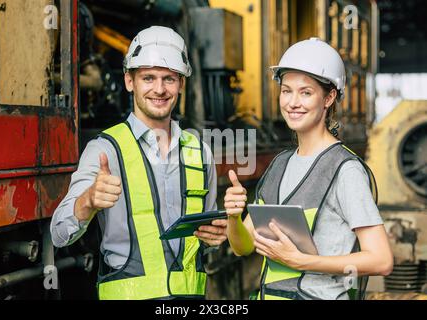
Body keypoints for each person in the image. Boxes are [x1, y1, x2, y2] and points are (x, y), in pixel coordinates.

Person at [50, 26, 227, 300]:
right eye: (148, 78)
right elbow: (59, 234)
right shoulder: (105, 150)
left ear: (181, 84)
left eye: (169, 79)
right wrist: (88, 201)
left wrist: (214, 237)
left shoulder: (199, 152)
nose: (159, 89)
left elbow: (206, 241)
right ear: (129, 81)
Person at [224, 38, 393, 300]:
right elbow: (242, 247)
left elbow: (381, 260)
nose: (292, 102)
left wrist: (301, 261)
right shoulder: (279, 165)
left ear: (329, 97)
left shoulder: (344, 169)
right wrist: (233, 217)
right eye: (286, 90)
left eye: (306, 92)